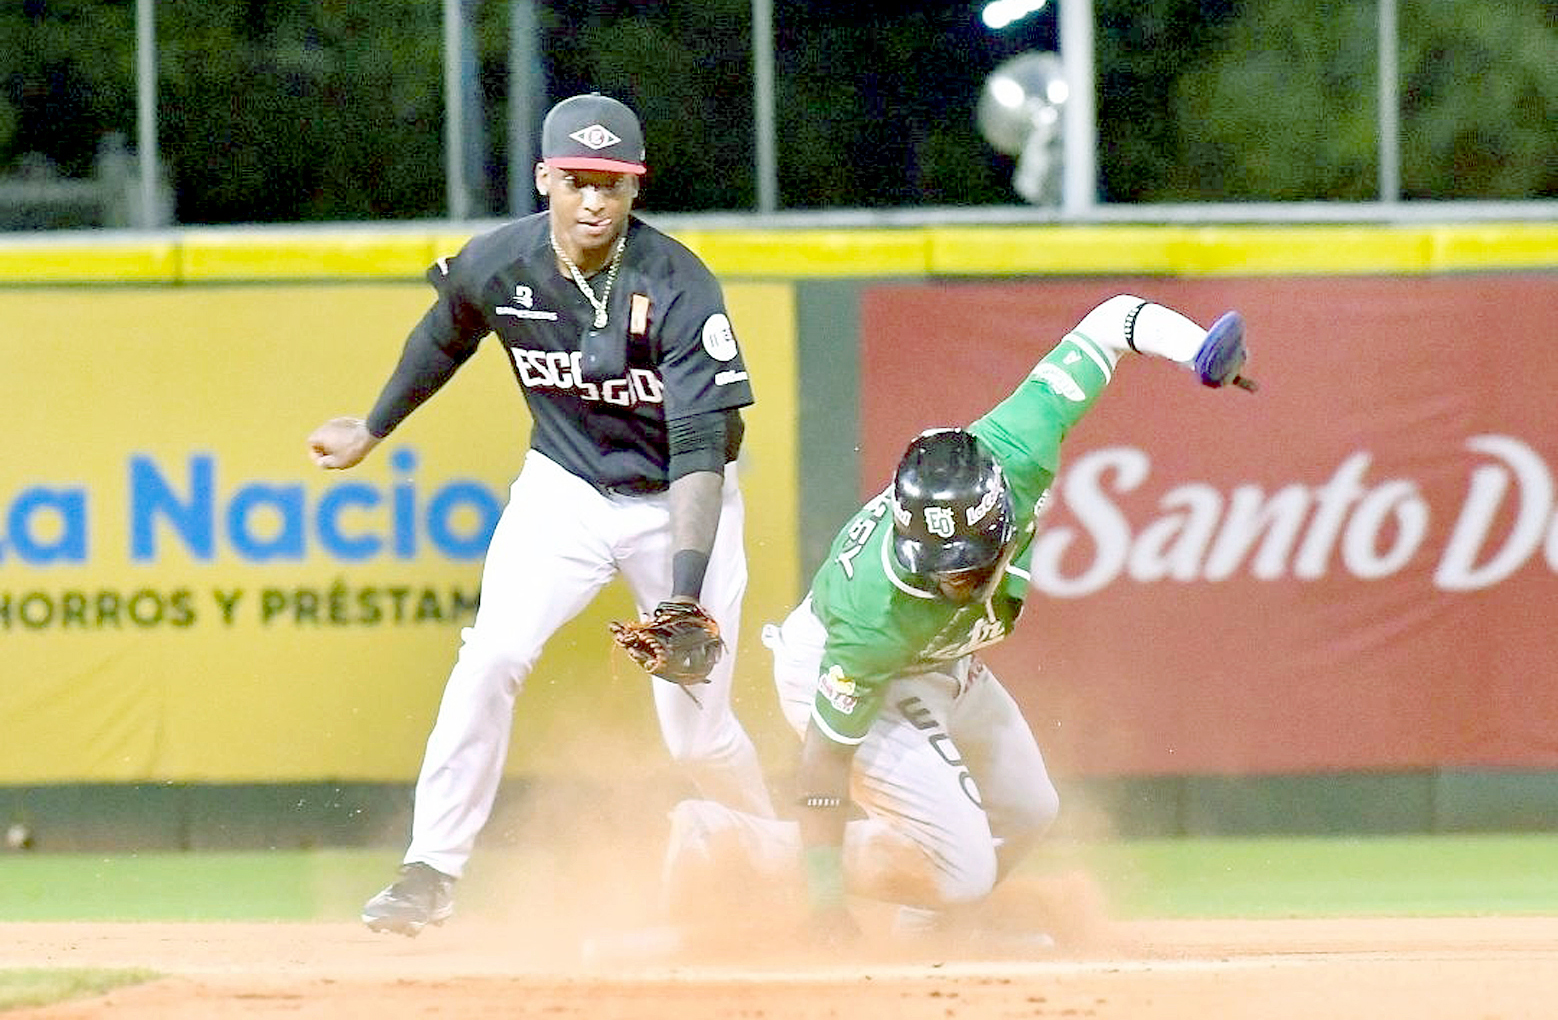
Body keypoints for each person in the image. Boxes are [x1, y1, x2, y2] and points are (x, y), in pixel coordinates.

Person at [308, 92, 775, 936]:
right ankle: (429, 870)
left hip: (675, 501)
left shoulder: (679, 285)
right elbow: (445, 332)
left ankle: (778, 859)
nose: (593, 200)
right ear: (543, 179)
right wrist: (373, 427)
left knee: (696, 739)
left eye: (611, 183)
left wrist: (683, 593)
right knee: (490, 655)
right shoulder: (503, 261)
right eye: (576, 180)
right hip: (565, 490)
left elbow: (701, 448)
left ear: (635, 188)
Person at [659, 294, 1253, 946]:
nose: (953, 582)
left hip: (937, 659)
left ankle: (928, 931)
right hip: (847, 666)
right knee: (964, 869)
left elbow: (1116, 320)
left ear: (998, 519)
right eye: (939, 566)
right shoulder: (875, 611)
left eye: (967, 566)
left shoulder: (1019, 443)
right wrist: (826, 903)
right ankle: (731, 838)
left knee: (1028, 811)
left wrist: (1196, 348)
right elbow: (824, 764)